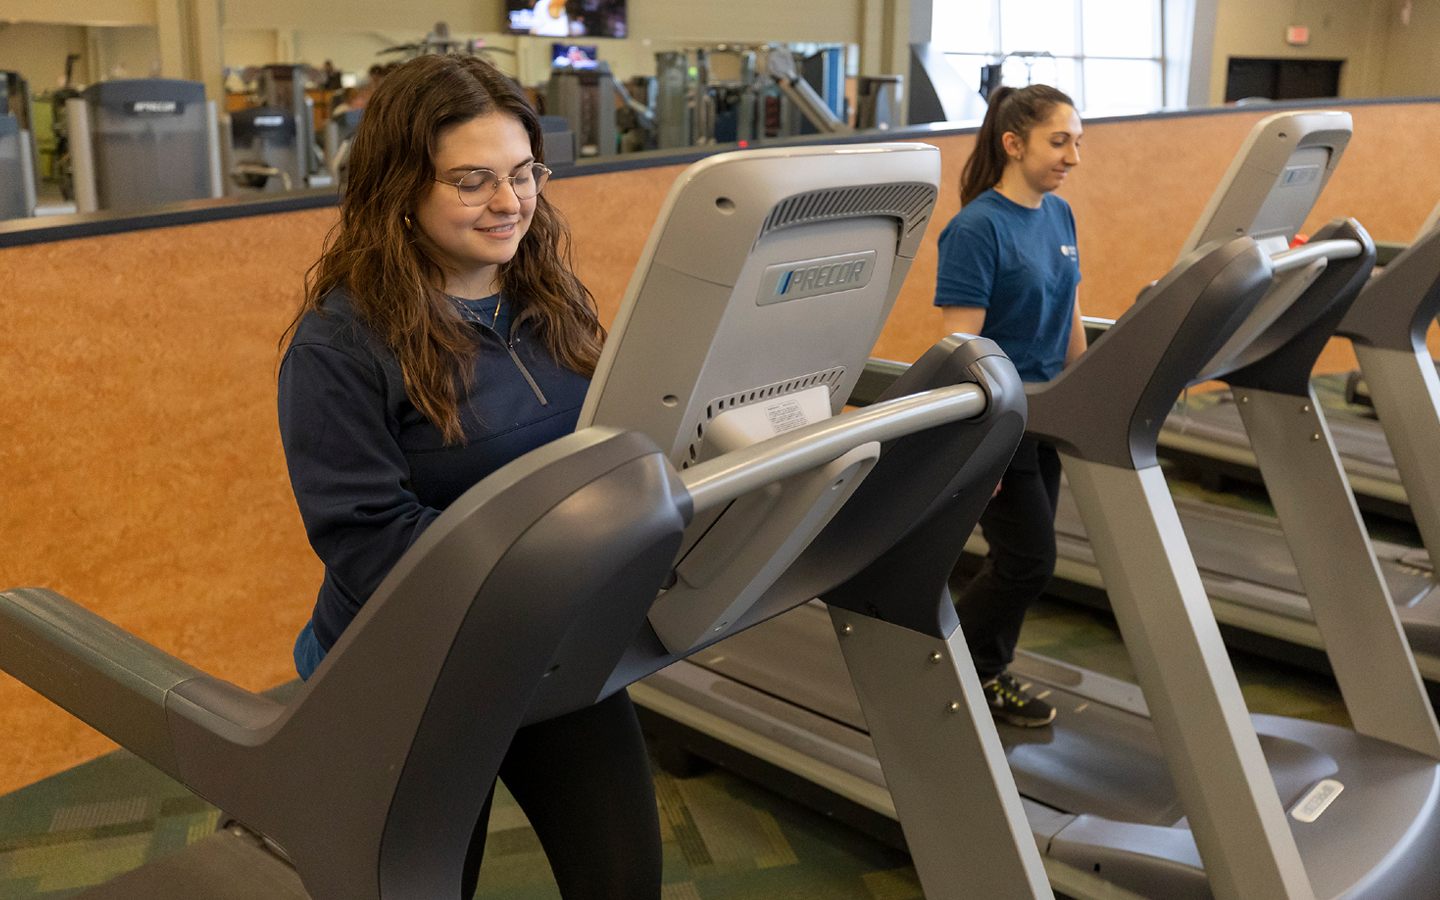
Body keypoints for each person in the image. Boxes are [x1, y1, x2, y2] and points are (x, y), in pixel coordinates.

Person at [276, 54, 661, 899]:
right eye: (473, 180)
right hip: (410, 672)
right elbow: (368, 541)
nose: (511, 202)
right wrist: (544, 571)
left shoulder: (549, 297)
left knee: (625, 878)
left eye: (524, 174)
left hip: (548, 641)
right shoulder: (339, 348)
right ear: (400, 190)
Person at [934, 83, 1085, 728]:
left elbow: (1071, 307)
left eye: (1077, 142)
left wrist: (1088, 389)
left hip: (1049, 414)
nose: (1073, 156)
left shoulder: (1059, 214)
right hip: (1004, 419)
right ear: (1013, 143)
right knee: (1029, 561)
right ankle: (966, 673)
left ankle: (975, 668)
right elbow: (964, 347)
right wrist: (981, 445)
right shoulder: (975, 228)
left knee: (1021, 560)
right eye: (1060, 141)